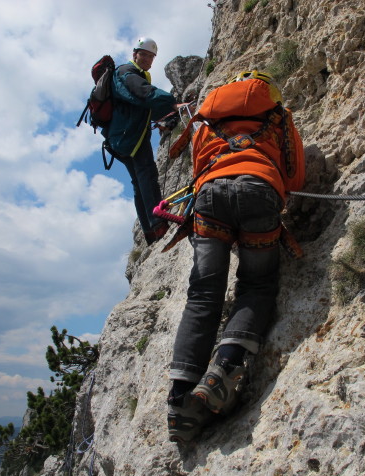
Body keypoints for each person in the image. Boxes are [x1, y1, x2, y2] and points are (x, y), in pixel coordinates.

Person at [166, 70, 306, 443]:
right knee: (257, 284)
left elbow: (198, 169)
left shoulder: (208, 120)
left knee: (203, 295)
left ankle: (180, 396)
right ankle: (223, 368)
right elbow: (295, 176)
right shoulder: (277, 115)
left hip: (209, 197)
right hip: (259, 189)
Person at [104, 37, 179, 245]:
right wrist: (172, 103)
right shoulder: (127, 72)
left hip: (122, 136)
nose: (147, 59)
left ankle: (150, 230)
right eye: (143, 54)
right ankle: (158, 222)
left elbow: (139, 105)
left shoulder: (130, 74)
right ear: (135, 53)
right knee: (147, 174)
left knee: (139, 182)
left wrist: (165, 117)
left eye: (150, 56)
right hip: (130, 136)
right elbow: (143, 93)